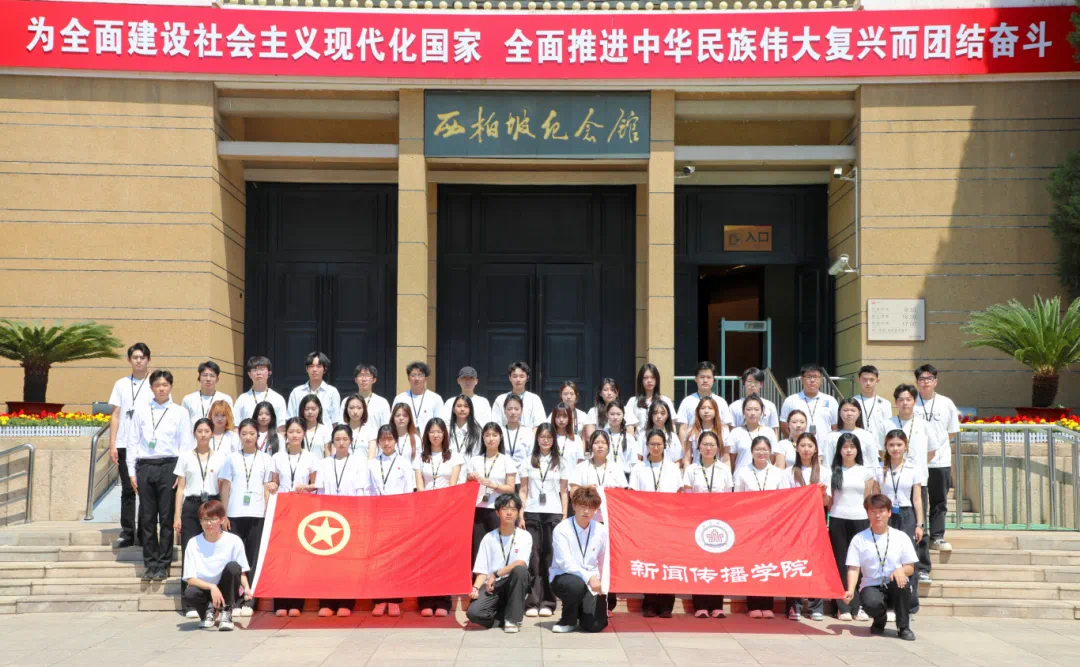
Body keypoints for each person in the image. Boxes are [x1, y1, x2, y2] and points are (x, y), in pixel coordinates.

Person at [124, 369, 193, 582]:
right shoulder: (141, 410)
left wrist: (181, 473)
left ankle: (164, 564)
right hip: (145, 466)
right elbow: (132, 442)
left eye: (165, 385)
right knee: (147, 517)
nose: (161, 389)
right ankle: (150, 563)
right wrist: (131, 472)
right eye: (157, 385)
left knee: (166, 517)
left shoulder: (180, 412)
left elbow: (185, 445)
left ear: (170, 386)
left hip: (170, 466)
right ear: (151, 387)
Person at [217, 418, 276, 617]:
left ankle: (250, 600)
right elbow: (225, 487)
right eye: (244, 434)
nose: (248, 437)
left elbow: (267, 488)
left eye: (252, 433)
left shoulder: (266, 459)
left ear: (257, 435)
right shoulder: (231, 458)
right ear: (239, 435)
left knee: (253, 557)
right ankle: (234, 598)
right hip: (234, 514)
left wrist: (267, 514)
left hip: (257, 514)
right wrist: (224, 514)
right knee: (235, 557)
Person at [880, 383, 937, 585]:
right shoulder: (887, 423)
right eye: (901, 399)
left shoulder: (924, 424)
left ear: (915, 401)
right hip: (892, 481)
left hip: (916, 480)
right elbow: (881, 451)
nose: (905, 403)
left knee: (919, 527)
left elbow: (932, 452)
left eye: (909, 399)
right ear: (895, 402)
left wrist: (912, 469)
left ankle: (922, 568)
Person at [843, 494, 918, 641]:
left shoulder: (901, 537)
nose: (877, 515)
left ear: (889, 512)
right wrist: (850, 590)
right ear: (867, 514)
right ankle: (880, 618)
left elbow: (911, 567)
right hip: (871, 585)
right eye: (873, 511)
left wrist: (901, 570)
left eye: (882, 511)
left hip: (894, 583)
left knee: (903, 584)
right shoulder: (859, 539)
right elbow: (853, 568)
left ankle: (903, 627)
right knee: (870, 602)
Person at [314, 425, 370, 617]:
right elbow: (320, 491)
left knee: (348, 562)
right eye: (337, 439)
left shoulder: (359, 462)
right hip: (328, 518)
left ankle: (346, 602)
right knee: (327, 561)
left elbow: (363, 491)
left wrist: (361, 517)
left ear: (351, 441)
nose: (341, 443)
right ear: (332, 442)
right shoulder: (324, 463)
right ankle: (327, 602)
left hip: (351, 516)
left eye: (345, 439)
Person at [173, 417, 226, 617]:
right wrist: (177, 516)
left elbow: (223, 486)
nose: (203, 435)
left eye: (206, 431)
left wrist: (223, 513)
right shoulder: (185, 456)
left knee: (213, 551)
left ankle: (214, 602)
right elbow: (181, 488)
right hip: (191, 506)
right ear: (194, 433)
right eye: (199, 431)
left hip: (211, 505)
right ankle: (189, 604)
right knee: (189, 550)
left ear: (212, 433)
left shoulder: (220, 457)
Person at [629, 429, 683, 618]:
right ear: (647, 446)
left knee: (668, 562)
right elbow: (633, 495)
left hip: (668, 522)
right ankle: (650, 603)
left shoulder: (672, 468)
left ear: (664, 446)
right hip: (647, 523)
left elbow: (679, 495)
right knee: (649, 563)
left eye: (659, 444)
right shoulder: (639, 468)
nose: (656, 447)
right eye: (652, 444)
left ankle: (667, 604)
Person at [107, 342, 155, 548]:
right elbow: (116, 415)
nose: (139, 361)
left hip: (146, 447)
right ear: (129, 360)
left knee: (145, 491)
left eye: (142, 357)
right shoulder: (121, 384)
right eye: (135, 357)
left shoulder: (156, 383)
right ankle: (127, 532)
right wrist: (112, 444)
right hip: (124, 444)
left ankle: (145, 533)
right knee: (127, 489)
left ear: (148, 360)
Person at [734, 435, 788, 618]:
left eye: (765, 449)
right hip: (750, 525)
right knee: (752, 563)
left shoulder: (777, 473)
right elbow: (738, 499)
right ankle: (753, 605)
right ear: (751, 451)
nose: (761, 452)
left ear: (770, 451)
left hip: (772, 524)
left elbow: (783, 498)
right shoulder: (743, 472)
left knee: (768, 565)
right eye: (758, 449)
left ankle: (767, 604)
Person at [518, 423, 568, 618]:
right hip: (532, 512)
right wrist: (521, 514)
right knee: (533, 558)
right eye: (542, 437)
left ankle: (548, 601)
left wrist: (564, 516)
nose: (545, 440)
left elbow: (564, 492)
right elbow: (523, 490)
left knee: (549, 558)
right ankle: (531, 601)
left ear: (554, 439)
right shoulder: (528, 461)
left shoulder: (560, 462)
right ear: (537, 439)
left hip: (553, 513)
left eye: (549, 437)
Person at [269, 417, 318, 618]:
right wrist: (272, 485)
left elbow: (316, 485)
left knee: (299, 558)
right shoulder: (277, 457)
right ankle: (280, 602)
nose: (294, 435)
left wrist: (307, 487)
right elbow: (274, 482)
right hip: (282, 511)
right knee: (281, 557)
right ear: (285, 434)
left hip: (303, 510)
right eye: (291, 432)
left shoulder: (312, 457)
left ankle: (297, 602)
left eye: (298, 431)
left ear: (304, 434)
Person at [682, 430, 732, 619]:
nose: (708, 448)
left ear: (718, 448)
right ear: (698, 447)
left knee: (717, 563)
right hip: (697, 521)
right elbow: (687, 497)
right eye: (705, 444)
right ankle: (701, 605)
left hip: (719, 522)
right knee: (700, 563)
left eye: (712, 445)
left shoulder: (724, 469)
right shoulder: (691, 469)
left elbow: (728, 496)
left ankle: (717, 605)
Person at [829, 433, 879, 622]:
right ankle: (842, 607)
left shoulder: (865, 472)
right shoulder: (833, 471)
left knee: (858, 562)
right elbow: (830, 499)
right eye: (845, 447)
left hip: (860, 519)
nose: (848, 450)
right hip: (838, 519)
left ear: (858, 450)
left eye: (852, 447)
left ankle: (858, 606)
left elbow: (867, 499)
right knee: (841, 562)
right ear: (839, 450)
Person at [465, 493, 532, 633]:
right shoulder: (488, 538)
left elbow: (520, 562)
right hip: (493, 586)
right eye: (505, 509)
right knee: (473, 613)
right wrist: (476, 588)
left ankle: (513, 619)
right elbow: (482, 570)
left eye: (513, 509)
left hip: (513, 583)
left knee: (520, 571)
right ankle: (502, 617)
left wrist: (496, 574)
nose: (509, 513)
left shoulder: (524, 536)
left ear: (518, 513)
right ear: (497, 512)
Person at [181, 500, 251, 632]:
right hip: (205, 588)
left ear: (222, 520)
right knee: (190, 592)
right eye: (205, 519)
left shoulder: (234, 541)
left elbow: (240, 570)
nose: (208, 523)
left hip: (226, 588)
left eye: (213, 519)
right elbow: (190, 579)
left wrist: (246, 587)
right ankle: (208, 611)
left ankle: (226, 610)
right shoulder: (193, 543)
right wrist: (212, 587)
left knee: (233, 566)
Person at [368, 424, 416, 617]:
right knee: (378, 560)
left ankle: (395, 600)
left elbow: (409, 490)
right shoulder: (372, 463)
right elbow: (368, 490)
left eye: (390, 439)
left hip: (398, 515)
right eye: (383, 439)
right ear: (378, 442)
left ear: (396, 440)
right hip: (377, 515)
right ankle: (379, 600)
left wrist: (407, 517)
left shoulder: (404, 463)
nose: (386, 443)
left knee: (396, 559)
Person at [784, 432, 830, 621]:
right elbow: (784, 499)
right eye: (802, 445)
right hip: (794, 524)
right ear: (796, 448)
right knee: (794, 564)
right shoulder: (788, 472)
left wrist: (822, 493)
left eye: (810, 446)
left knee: (815, 564)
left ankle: (815, 606)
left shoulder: (824, 472)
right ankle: (793, 606)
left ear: (816, 449)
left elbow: (827, 502)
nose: (806, 449)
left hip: (816, 523)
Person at [550, 486, 609, 633]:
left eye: (591, 507)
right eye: (583, 506)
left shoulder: (601, 530)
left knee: (595, 625)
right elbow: (565, 563)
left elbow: (603, 560)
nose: (586, 511)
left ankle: (581, 612)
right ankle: (567, 620)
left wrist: (603, 584)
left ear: (596, 510)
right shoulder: (561, 529)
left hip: (592, 580)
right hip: (564, 576)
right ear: (574, 506)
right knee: (575, 584)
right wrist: (589, 577)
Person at [879, 429, 925, 616]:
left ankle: (909, 605)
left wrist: (919, 524)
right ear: (886, 447)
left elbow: (917, 499)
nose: (895, 448)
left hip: (906, 515)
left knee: (908, 558)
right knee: (886, 555)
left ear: (905, 446)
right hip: (885, 514)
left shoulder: (913, 468)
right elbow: (876, 495)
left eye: (899, 445)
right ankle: (888, 603)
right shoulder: (880, 468)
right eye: (891, 445)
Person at [915, 364, 959, 553]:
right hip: (917, 462)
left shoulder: (946, 403)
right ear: (917, 382)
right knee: (918, 500)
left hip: (940, 461)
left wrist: (935, 447)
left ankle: (937, 537)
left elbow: (952, 431)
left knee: (939, 501)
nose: (925, 382)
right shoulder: (911, 401)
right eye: (922, 379)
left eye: (929, 378)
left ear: (935, 381)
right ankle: (920, 536)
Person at [466, 423, 518, 573]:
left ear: (500, 437)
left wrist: (494, 485)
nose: (491, 439)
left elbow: (511, 488)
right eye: (487, 435)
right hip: (478, 508)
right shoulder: (475, 460)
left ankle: (497, 577)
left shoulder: (507, 461)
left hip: (497, 509)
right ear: (482, 438)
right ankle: (478, 579)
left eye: (494, 435)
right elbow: (467, 486)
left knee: (497, 545)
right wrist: (470, 478)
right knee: (477, 545)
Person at [571, 431, 629, 521]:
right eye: (596, 442)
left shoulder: (616, 468)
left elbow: (624, 493)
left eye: (604, 443)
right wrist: (586, 489)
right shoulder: (581, 467)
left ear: (608, 446)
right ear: (590, 445)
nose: (600, 446)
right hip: (587, 517)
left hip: (611, 517)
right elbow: (573, 492)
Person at [675, 361, 733, 444]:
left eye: (709, 377)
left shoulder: (721, 402)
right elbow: (683, 428)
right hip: (693, 448)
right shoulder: (687, 402)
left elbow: (726, 427)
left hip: (715, 448)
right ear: (696, 379)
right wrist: (684, 449)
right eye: (702, 377)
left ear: (713, 380)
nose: (705, 380)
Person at [822, 399, 881, 472]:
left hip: (863, 476)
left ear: (859, 413)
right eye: (845, 410)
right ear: (839, 413)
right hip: (838, 476)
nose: (849, 413)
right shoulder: (831, 436)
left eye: (853, 410)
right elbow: (827, 464)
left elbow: (874, 462)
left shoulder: (867, 435)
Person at [780, 364, 838, 438]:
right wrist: (796, 442)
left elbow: (835, 427)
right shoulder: (790, 400)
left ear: (821, 380)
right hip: (799, 444)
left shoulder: (831, 401)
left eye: (816, 377)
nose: (812, 380)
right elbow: (784, 427)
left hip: (825, 445)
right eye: (808, 377)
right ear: (802, 379)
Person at [726, 395, 779, 475]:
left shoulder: (769, 432)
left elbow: (773, 457)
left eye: (756, 409)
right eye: (749, 409)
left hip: (763, 477)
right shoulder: (735, 432)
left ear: (762, 412)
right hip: (741, 478)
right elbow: (731, 459)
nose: (753, 413)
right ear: (743, 411)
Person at [287, 352, 341, 428]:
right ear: (306, 369)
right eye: (311, 366)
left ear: (325, 369)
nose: (314, 369)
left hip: (325, 434)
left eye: (318, 366)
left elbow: (335, 421)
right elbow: (291, 419)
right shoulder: (296, 392)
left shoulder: (332, 392)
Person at [234, 356, 288, 429]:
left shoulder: (278, 398)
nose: (258, 373)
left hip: (271, 436)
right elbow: (236, 426)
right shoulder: (242, 399)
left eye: (262, 369)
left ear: (269, 372)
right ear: (249, 374)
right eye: (254, 370)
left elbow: (281, 427)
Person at [391, 360, 443, 432]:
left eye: (420, 375)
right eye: (413, 375)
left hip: (427, 438)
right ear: (408, 378)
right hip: (406, 437)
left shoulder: (435, 398)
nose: (417, 378)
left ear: (426, 378)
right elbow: (393, 421)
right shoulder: (400, 398)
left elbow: (440, 423)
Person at [492, 361, 546, 428]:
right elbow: (495, 426)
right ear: (509, 378)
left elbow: (540, 425)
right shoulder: (500, 399)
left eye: (522, 376)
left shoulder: (534, 399)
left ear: (527, 378)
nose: (518, 379)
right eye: (515, 376)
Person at [728, 368, 780, 436]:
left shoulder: (770, 406)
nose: (752, 385)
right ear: (744, 383)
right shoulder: (734, 406)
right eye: (749, 381)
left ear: (761, 384)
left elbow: (775, 430)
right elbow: (731, 430)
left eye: (756, 382)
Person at [630, 363, 677, 438]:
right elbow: (629, 427)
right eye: (645, 378)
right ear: (640, 380)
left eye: (652, 377)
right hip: (640, 441)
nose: (649, 380)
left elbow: (672, 424)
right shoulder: (633, 401)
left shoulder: (665, 400)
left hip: (661, 441)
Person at [852, 365, 892, 442]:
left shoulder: (885, 403)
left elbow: (888, 427)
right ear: (859, 380)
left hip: (879, 445)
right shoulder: (853, 402)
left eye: (871, 380)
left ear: (877, 381)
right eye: (865, 380)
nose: (868, 383)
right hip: (857, 443)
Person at [638, 399, 683, 467]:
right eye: (655, 413)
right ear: (650, 415)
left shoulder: (673, 437)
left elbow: (678, 461)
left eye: (663, 413)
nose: (659, 416)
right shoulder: (643, 435)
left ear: (668, 416)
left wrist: (671, 471)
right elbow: (638, 458)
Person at [684, 396, 727, 467]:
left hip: (717, 470)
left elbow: (726, 459)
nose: (706, 411)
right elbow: (687, 459)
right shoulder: (691, 431)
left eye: (710, 408)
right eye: (702, 408)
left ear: (716, 411)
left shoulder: (723, 431)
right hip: (697, 470)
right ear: (698, 411)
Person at [354, 363, 392, 430]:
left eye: (367, 375)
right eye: (360, 375)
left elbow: (386, 428)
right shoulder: (347, 401)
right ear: (356, 380)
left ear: (374, 380)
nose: (364, 379)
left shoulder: (382, 402)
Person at [498, 394, 532, 470]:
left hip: (523, 473)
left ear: (521, 411)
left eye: (516, 409)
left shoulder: (528, 432)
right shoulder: (499, 432)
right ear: (504, 411)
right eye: (509, 409)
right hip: (503, 472)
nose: (513, 412)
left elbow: (531, 455)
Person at [447, 394, 483, 462]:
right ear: (453, 409)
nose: (462, 409)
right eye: (459, 406)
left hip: (470, 467)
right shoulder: (446, 428)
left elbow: (477, 454)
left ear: (470, 410)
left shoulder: (477, 431)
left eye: (466, 406)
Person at [298, 394, 332, 461]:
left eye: (313, 409)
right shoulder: (297, 429)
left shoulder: (325, 430)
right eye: (306, 409)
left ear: (319, 409)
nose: (310, 412)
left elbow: (328, 455)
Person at [775, 409, 809, 474]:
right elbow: (780, 470)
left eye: (802, 422)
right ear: (788, 424)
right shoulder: (782, 444)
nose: (798, 425)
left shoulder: (812, 443)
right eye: (794, 422)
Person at [552, 402, 585, 467]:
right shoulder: (550, 438)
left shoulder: (576, 439)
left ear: (569, 418)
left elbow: (580, 461)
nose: (561, 420)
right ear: (554, 418)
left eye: (565, 416)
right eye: (558, 416)